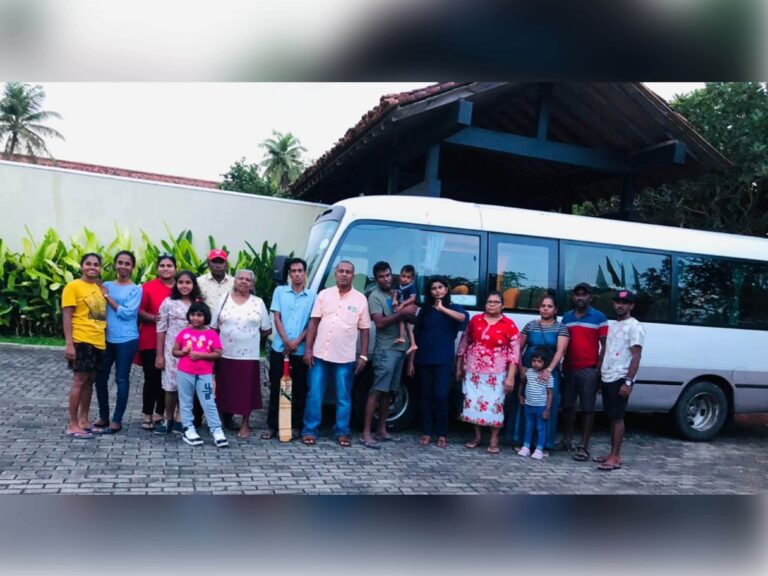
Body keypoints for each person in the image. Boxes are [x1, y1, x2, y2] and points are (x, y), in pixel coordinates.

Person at [302, 260, 370, 447]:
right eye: (341, 271)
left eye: (348, 272)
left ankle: (342, 431)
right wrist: (308, 349)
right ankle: (310, 430)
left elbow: (365, 330)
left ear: (353, 276)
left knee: (343, 397)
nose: (344, 274)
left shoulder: (360, 299)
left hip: (345, 358)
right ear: (335, 274)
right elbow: (314, 322)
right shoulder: (324, 295)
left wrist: (363, 356)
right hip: (319, 355)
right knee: (315, 394)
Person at [359, 261, 419, 449]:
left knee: (390, 392)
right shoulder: (375, 297)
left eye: (388, 275)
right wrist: (403, 313)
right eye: (381, 277)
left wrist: (407, 312)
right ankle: (366, 434)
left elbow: (412, 317)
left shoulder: (398, 293)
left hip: (400, 350)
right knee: (377, 391)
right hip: (385, 350)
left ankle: (382, 430)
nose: (386, 279)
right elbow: (380, 323)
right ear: (376, 279)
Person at [407, 276, 469, 449]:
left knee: (441, 396)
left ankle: (442, 433)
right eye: (433, 288)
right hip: (424, 359)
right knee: (425, 397)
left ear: (446, 289)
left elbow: (463, 319)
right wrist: (411, 361)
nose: (437, 291)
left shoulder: (454, 308)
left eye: (440, 287)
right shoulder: (425, 311)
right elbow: (416, 337)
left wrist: (442, 309)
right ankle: (427, 432)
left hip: (443, 360)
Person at [211, 269, 271, 439]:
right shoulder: (224, 299)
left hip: (248, 355)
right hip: (225, 353)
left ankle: (245, 423)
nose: (244, 281)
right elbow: (214, 327)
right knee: (224, 388)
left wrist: (248, 337)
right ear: (235, 281)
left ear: (252, 285)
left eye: (248, 280)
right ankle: (222, 421)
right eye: (241, 279)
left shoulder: (258, 302)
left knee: (246, 390)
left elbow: (266, 329)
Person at [456, 291, 519, 455]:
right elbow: (464, 343)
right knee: (474, 403)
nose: (491, 304)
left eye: (495, 302)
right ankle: (477, 437)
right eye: (489, 301)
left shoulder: (509, 324)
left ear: (502, 305)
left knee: (494, 405)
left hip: (496, 373)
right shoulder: (475, 320)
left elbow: (514, 354)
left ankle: (494, 439)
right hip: (473, 372)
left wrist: (511, 377)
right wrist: (459, 365)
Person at [507, 293, 569, 451]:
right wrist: (520, 367)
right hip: (528, 369)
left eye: (549, 306)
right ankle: (523, 442)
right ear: (539, 308)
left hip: (549, 370)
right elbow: (518, 348)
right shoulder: (530, 325)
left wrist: (549, 370)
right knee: (525, 402)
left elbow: (560, 351)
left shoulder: (561, 328)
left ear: (555, 310)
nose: (546, 309)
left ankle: (543, 445)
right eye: (543, 306)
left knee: (547, 404)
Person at [263, 257, 315, 441]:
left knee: (299, 389)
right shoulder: (280, 291)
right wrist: (286, 341)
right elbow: (277, 317)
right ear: (289, 274)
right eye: (293, 271)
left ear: (305, 273)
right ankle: (273, 426)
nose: (297, 274)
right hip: (280, 349)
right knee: (277, 388)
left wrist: (296, 342)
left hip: (300, 351)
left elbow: (311, 323)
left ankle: (295, 426)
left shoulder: (312, 296)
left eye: (300, 271)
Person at [92, 250, 141, 434]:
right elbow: (97, 312)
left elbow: (127, 313)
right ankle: (103, 416)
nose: (123, 266)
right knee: (100, 378)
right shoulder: (105, 285)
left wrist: (107, 297)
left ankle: (117, 419)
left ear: (132, 267)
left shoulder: (136, 289)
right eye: (120, 262)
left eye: (127, 263)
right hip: (105, 339)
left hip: (127, 339)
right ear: (115, 264)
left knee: (121, 378)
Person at [596, 289, 645, 471]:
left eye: (624, 303)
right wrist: (600, 375)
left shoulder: (635, 327)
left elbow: (636, 356)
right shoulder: (613, 325)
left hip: (620, 377)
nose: (620, 305)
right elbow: (607, 351)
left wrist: (628, 382)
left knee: (617, 418)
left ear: (631, 306)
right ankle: (611, 453)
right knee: (611, 416)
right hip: (607, 376)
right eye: (617, 302)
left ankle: (615, 457)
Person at [62, 253, 107, 438]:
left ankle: (84, 420)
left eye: (96, 264)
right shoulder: (72, 287)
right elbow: (67, 316)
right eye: (88, 264)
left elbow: (98, 316)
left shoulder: (99, 288)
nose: (92, 267)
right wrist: (69, 344)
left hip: (98, 341)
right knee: (79, 381)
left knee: (89, 382)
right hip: (81, 340)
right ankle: (73, 424)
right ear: (81, 266)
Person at [561, 282, 608, 462]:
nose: (580, 297)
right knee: (567, 406)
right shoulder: (567, 317)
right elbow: (562, 342)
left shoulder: (599, 317)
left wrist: (599, 370)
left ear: (590, 297)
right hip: (569, 368)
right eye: (577, 294)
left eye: (584, 294)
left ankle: (584, 446)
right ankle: (567, 440)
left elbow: (605, 346)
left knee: (588, 409)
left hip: (589, 369)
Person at [171, 301, 228, 447]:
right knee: (185, 401)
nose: (195, 318)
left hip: (205, 374)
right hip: (185, 373)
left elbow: (218, 353)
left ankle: (216, 430)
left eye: (199, 315)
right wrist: (182, 352)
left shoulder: (211, 334)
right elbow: (174, 351)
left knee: (208, 401)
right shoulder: (184, 333)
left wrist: (201, 356)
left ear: (206, 317)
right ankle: (188, 428)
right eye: (192, 315)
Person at [154, 270, 202, 435]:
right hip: (171, 351)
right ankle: (168, 418)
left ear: (193, 285)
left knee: (187, 386)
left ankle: (181, 418)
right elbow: (161, 329)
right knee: (170, 386)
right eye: (181, 282)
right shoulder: (168, 302)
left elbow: (206, 327)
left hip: (192, 352)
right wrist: (159, 355)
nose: (184, 286)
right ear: (176, 284)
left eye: (188, 282)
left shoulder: (198, 303)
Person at [137, 253, 176, 430]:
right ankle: (147, 413)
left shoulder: (181, 287)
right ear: (157, 268)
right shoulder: (148, 287)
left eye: (169, 266)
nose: (166, 269)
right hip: (151, 339)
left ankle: (160, 412)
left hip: (173, 341)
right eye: (162, 266)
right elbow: (139, 311)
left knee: (167, 379)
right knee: (151, 378)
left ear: (175, 268)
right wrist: (154, 318)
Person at [517, 348, 555, 460]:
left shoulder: (548, 377)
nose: (536, 363)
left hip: (541, 407)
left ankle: (539, 449)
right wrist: (520, 395)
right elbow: (522, 383)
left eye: (539, 361)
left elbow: (550, 394)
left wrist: (547, 409)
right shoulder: (528, 372)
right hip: (528, 405)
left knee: (540, 427)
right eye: (534, 361)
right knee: (528, 426)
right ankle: (526, 446)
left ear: (545, 363)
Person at [393, 264, 418, 356]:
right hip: (402, 308)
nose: (405, 279)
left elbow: (413, 298)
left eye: (408, 277)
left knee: (403, 321)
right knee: (407, 326)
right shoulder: (398, 286)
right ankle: (412, 344)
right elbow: (395, 293)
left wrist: (403, 304)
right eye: (403, 276)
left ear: (412, 279)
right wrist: (394, 300)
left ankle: (402, 337)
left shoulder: (411, 287)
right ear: (400, 276)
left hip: (407, 308)